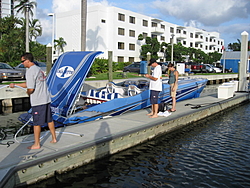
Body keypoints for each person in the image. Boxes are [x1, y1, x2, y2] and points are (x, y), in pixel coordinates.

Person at [9, 53, 57, 149]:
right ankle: (54, 138)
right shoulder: (38, 69)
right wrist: (15, 84)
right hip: (46, 99)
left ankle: (36, 144)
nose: (22, 63)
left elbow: (31, 89)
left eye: (22, 61)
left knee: (36, 123)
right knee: (49, 120)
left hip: (38, 101)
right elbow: (29, 83)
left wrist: (28, 93)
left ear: (27, 60)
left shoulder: (30, 71)